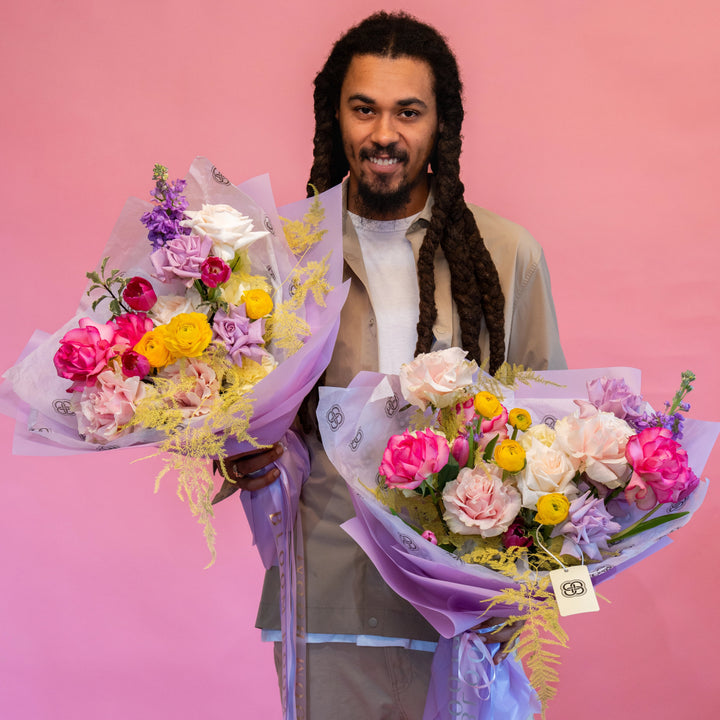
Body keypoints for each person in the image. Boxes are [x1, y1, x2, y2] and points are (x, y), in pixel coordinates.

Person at [219, 11, 565, 719]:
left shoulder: (506, 255)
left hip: (464, 604)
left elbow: (551, 425)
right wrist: (234, 451)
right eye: (364, 109)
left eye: (408, 112)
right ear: (334, 117)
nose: (384, 134)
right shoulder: (279, 254)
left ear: (442, 123)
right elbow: (232, 406)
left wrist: (529, 578)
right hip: (326, 599)